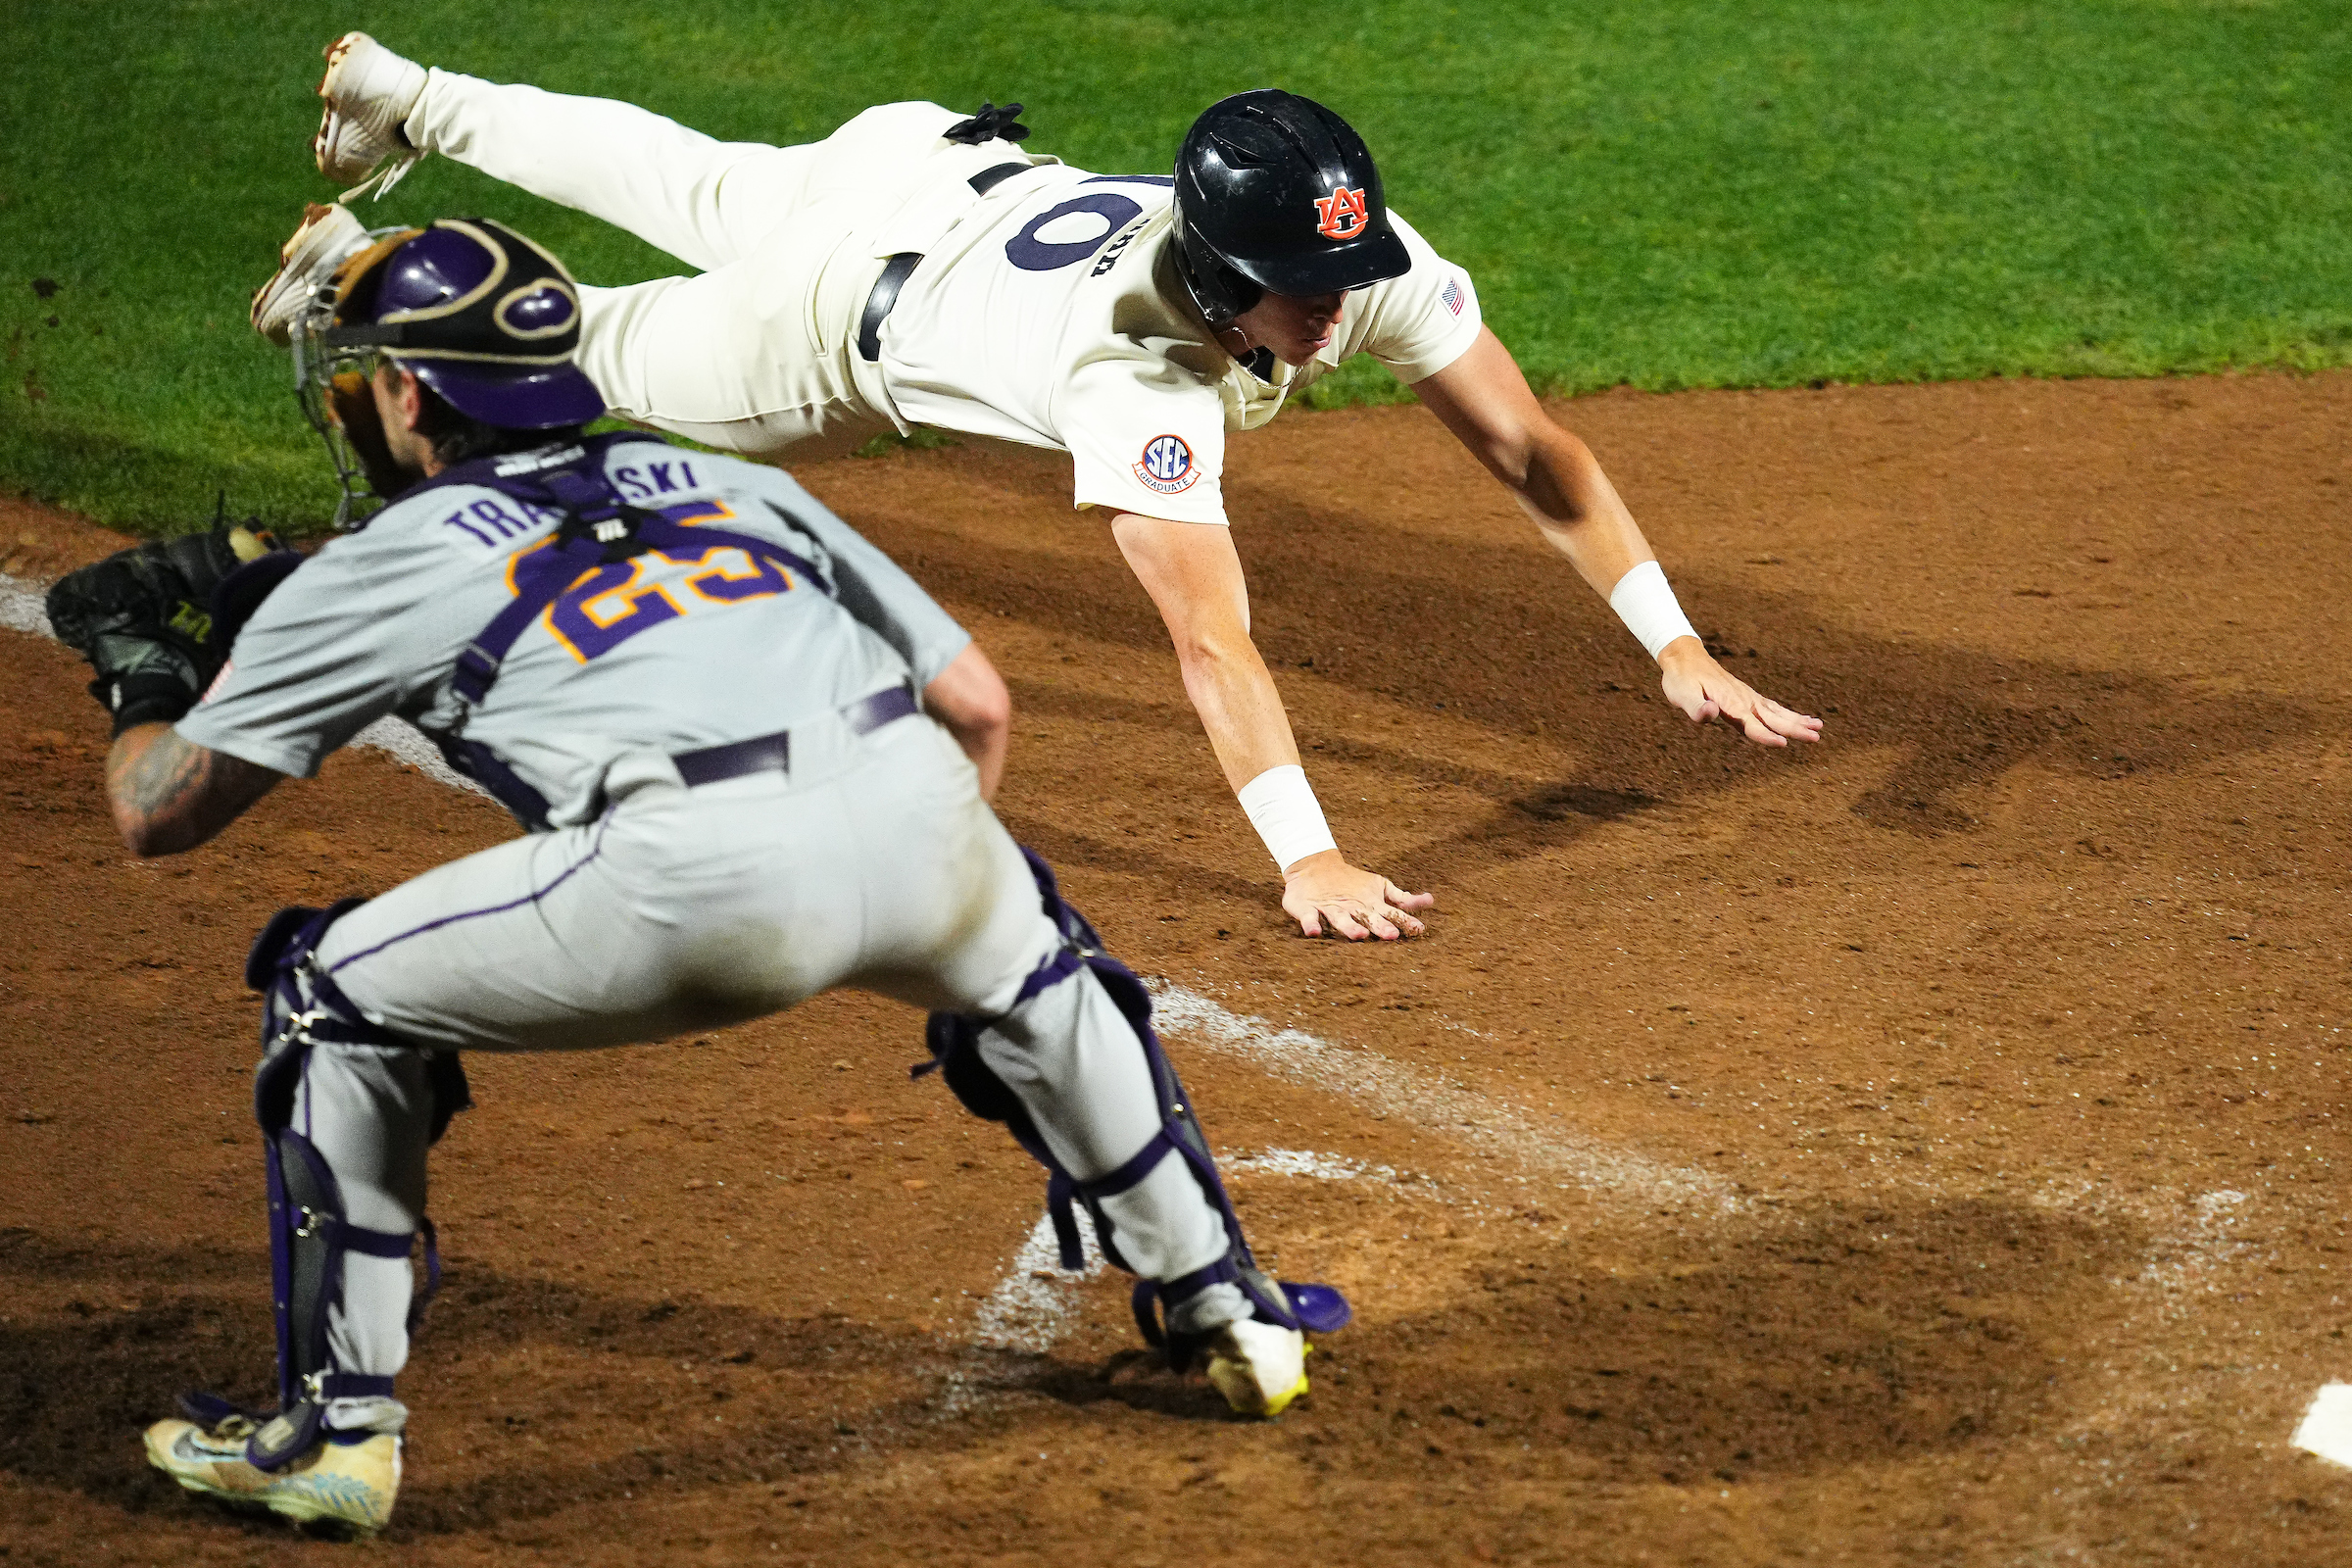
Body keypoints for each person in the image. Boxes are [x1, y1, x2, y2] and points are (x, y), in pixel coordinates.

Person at [57, 214, 1346, 1537]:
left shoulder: (378, 568)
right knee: (1042, 964)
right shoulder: (733, 487)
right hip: (919, 819)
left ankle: (337, 1433)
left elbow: (160, 815)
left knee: (328, 995)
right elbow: (977, 705)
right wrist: (936, 909)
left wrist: (139, 674)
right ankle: (1228, 1308)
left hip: (688, 885)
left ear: (407, 393)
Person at [255, 33, 1823, 943]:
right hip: (826, 323)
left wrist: (1673, 640)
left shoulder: (1358, 258)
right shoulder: (1131, 379)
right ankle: (369, 277)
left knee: (686, 169)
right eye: (1302, 290)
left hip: (920, 170)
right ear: (1217, 278)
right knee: (580, 354)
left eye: (1349, 269)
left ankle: (412, 90)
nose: (1341, 312)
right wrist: (1309, 856)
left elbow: (1534, 453)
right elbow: (1214, 640)